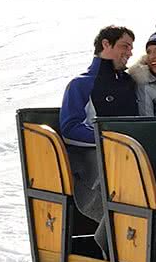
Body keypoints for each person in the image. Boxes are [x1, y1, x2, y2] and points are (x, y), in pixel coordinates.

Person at [58, 25, 139, 234]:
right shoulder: (81, 85)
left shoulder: (130, 83)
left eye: (131, 47)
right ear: (106, 44)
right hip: (93, 167)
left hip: (130, 157)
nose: (130, 52)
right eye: (124, 46)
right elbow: (70, 128)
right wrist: (109, 140)